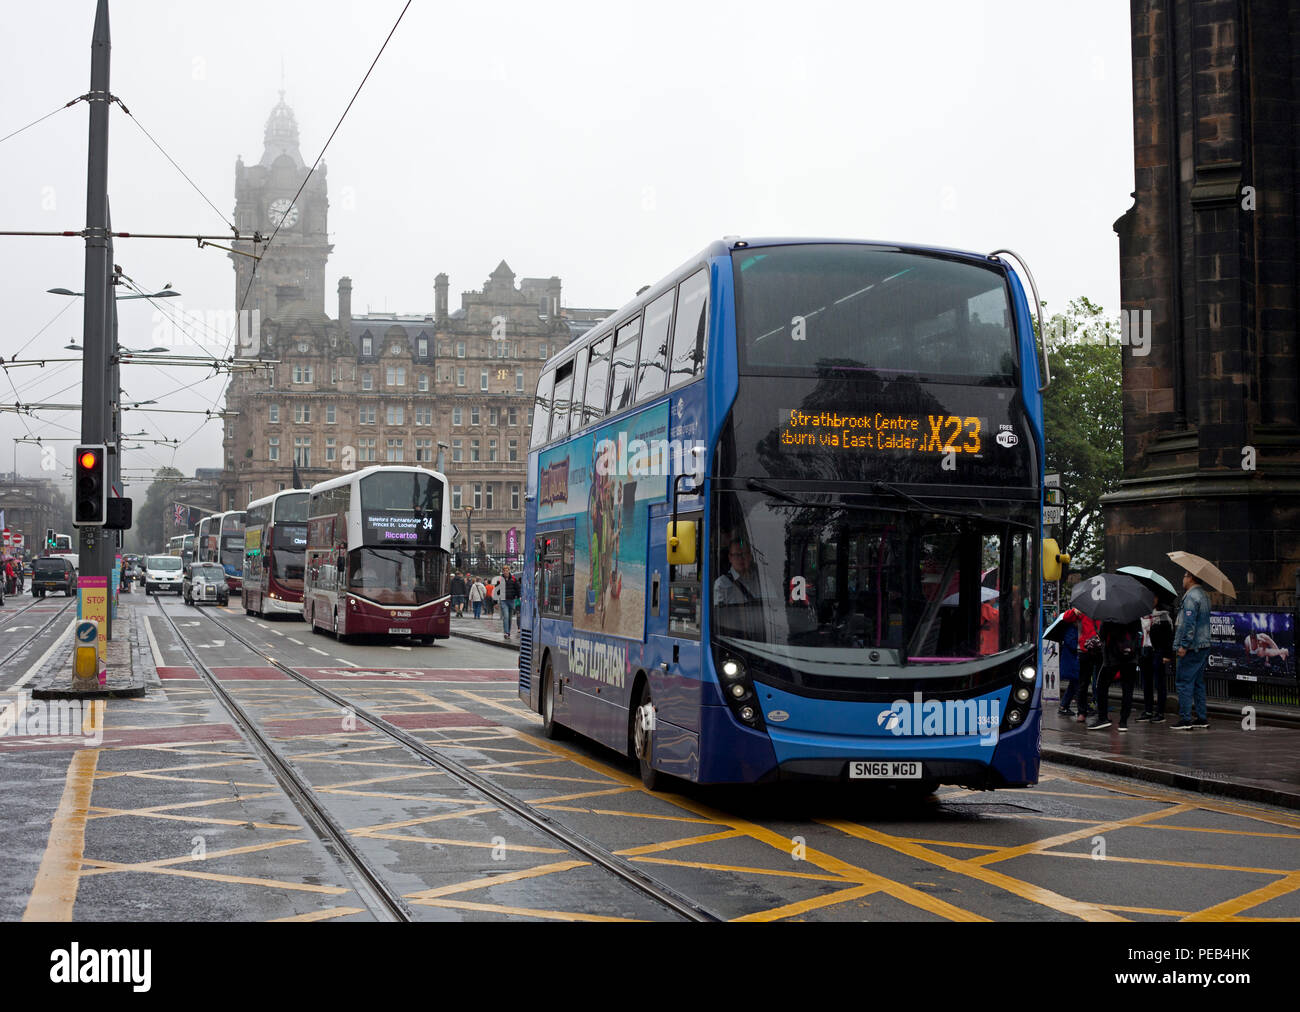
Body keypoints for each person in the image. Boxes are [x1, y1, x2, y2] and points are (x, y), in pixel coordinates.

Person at [1172, 570, 1212, 730]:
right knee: (1198, 683)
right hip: (1204, 644)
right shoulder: (1204, 596)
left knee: (1183, 682)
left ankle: (1185, 719)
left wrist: (1183, 645)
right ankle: (1202, 718)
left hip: (1192, 646)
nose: (1183, 578)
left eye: (1185, 575)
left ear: (1191, 578)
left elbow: (1189, 624)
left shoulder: (1191, 597)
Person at [1089, 617, 1141, 731]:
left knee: (1102, 686)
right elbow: (1138, 633)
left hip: (1113, 658)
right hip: (1131, 658)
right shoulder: (1134, 615)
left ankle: (1103, 718)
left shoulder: (1109, 615)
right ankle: (1123, 722)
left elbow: (1102, 636)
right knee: (1128, 689)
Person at [1061, 607, 1101, 722]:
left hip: (1100, 649)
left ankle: (1101, 712)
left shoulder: (1102, 608)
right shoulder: (1082, 608)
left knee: (1100, 683)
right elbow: (1066, 617)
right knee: (1083, 682)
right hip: (1085, 649)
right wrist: (1074, 611)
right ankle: (1082, 711)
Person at [1138, 605, 1173, 721]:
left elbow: (1168, 636)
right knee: (1146, 682)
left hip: (1157, 650)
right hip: (1144, 649)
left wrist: (1167, 654)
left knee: (1159, 682)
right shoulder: (1140, 614)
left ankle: (1160, 712)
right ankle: (1148, 710)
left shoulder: (1163, 616)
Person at [713, 537, 759, 606]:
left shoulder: (762, 580)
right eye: (737, 555)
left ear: (750, 556)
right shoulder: (721, 584)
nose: (741, 558)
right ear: (730, 558)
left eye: (744, 554)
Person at [1057, 619, 1080, 717]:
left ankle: (1064, 706)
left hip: (1073, 662)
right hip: (1071, 663)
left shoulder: (1073, 630)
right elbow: (1072, 645)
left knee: (1074, 685)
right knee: (1076, 684)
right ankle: (1065, 706)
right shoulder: (1071, 630)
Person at [501, 566, 521, 639]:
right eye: (504, 571)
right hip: (503, 600)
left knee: (509, 618)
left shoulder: (513, 579)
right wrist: (495, 602)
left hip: (511, 600)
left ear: (509, 571)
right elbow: (497, 590)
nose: (506, 572)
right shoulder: (500, 579)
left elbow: (518, 588)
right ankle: (506, 632)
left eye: (507, 570)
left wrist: (519, 596)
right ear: (503, 571)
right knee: (505, 616)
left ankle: (508, 632)